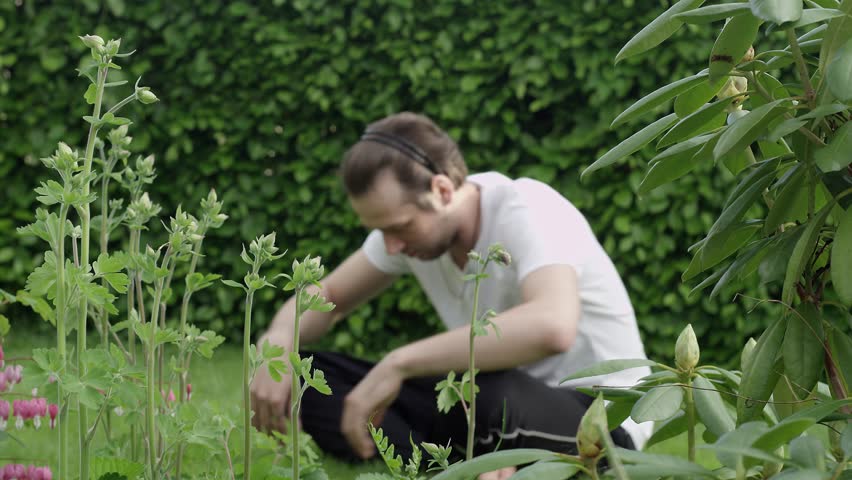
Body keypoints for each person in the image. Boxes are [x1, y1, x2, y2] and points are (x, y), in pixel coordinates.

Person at [251, 112, 652, 480]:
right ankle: (469, 461)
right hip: (489, 405)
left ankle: (485, 456)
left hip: (601, 418)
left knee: (492, 395)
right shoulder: (409, 236)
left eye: (400, 227)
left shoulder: (529, 208)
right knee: (309, 374)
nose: (389, 246)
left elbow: (552, 326)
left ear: (442, 190)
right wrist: (277, 344)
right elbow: (330, 293)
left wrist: (398, 364)